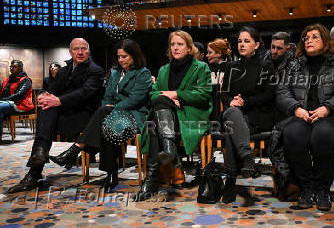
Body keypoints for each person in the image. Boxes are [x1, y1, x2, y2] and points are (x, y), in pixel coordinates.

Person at [49, 39, 152, 192]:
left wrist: (113, 108)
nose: (121, 60)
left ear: (134, 56)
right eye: (119, 57)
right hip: (113, 115)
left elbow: (134, 100)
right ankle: (111, 173)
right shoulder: (115, 72)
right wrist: (109, 107)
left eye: (124, 56)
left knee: (105, 114)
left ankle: (78, 150)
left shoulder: (143, 73)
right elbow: (107, 96)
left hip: (134, 115)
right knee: (107, 123)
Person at [276, 23, 334, 211]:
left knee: (323, 134)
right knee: (293, 134)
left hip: (330, 116)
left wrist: (327, 108)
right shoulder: (293, 64)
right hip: (301, 114)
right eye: (306, 38)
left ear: (325, 40)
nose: (309, 41)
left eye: (314, 37)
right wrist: (296, 108)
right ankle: (307, 187)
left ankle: (322, 189)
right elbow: (282, 90)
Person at [8, 38, 105, 193]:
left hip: (85, 117)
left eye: (83, 48)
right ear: (70, 52)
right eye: (76, 49)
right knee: (46, 109)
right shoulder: (65, 70)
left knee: (48, 115)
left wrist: (58, 101)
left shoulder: (95, 70)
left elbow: (85, 93)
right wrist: (45, 96)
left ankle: (34, 172)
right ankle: (38, 158)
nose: (80, 52)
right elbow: (53, 89)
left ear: (89, 51)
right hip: (64, 115)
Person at [135, 30, 212, 201]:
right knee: (158, 112)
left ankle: (151, 180)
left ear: (189, 48)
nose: (176, 48)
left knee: (154, 123)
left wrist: (176, 95)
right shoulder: (164, 69)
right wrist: (167, 99)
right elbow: (153, 94)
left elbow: (204, 94)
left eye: (180, 44)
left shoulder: (201, 67)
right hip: (166, 115)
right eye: (173, 44)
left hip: (190, 114)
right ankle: (168, 149)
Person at [220, 26, 275, 203]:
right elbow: (224, 93)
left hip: (257, 115)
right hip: (236, 114)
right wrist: (231, 102)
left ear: (257, 44)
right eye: (239, 41)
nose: (242, 44)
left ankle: (230, 180)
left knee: (230, 128)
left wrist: (245, 102)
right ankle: (246, 157)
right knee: (233, 116)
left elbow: (269, 95)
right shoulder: (231, 66)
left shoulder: (266, 66)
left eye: (247, 41)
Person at [0, 60, 34, 144]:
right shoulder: (7, 80)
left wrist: (5, 99)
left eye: (14, 67)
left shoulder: (26, 80)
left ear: (20, 68)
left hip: (20, 105)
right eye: (11, 67)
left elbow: (19, 94)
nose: (11, 68)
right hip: (7, 103)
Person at [206, 38, 232, 121]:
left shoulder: (230, 69)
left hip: (226, 111)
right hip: (213, 113)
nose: (207, 55)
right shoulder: (209, 70)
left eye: (210, 53)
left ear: (219, 53)